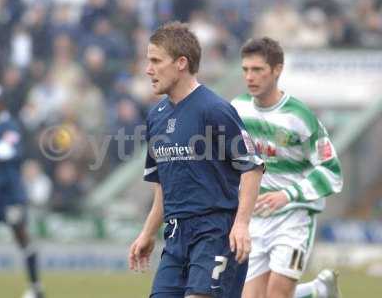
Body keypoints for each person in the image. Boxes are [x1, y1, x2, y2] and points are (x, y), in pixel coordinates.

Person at [128, 22, 264, 298]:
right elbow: (163, 187)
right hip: (176, 236)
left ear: (181, 63)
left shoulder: (214, 110)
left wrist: (241, 224)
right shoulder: (156, 117)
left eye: (155, 61)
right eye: (148, 61)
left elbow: (253, 166)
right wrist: (148, 233)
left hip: (215, 232)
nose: (148, 70)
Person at [231, 37, 343, 298]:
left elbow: (331, 171)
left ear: (277, 69)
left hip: (294, 217)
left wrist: (287, 195)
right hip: (255, 219)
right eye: (246, 69)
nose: (250, 77)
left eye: (257, 69)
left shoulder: (300, 117)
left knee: (277, 294)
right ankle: (316, 292)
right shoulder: (237, 109)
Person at [0, 85, 44, 298]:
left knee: (21, 235)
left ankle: (36, 287)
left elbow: (7, 151)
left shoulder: (11, 126)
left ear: (3, 103)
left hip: (9, 194)